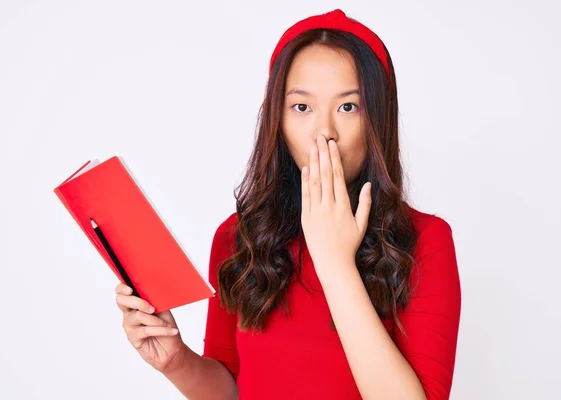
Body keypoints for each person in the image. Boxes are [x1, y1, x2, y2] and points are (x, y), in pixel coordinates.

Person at [115, 8, 461, 400]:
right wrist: (175, 361)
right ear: (277, 120)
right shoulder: (237, 237)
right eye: (302, 107)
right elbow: (231, 389)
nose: (324, 132)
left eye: (349, 107)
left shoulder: (426, 241)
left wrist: (335, 262)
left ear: (378, 119)